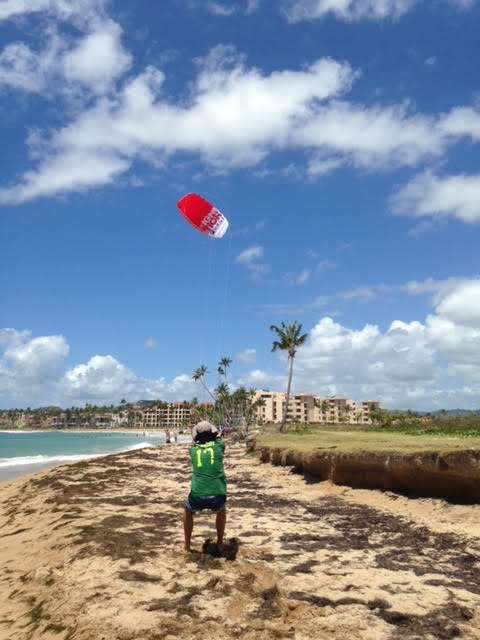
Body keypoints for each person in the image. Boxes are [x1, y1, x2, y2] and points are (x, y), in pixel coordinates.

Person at [183, 420, 227, 553]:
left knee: (187, 510)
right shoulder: (219, 446)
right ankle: (219, 543)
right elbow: (219, 438)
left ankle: (187, 546)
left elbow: (194, 444)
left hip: (197, 496)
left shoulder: (193, 450)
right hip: (217, 496)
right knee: (222, 510)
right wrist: (216, 436)